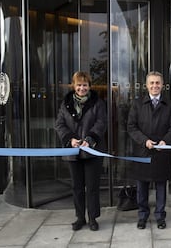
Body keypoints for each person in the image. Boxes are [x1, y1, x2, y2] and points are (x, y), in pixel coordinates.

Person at [55, 71, 107, 231]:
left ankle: (92, 218)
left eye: (85, 85)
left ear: (89, 86)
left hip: (92, 151)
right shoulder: (66, 103)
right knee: (77, 187)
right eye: (79, 85)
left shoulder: (97, 102)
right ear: (74, 86)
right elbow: (60, 124)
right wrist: (70, 139)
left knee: (92, 187)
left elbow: (101, 123)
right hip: (73, 152)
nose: (82, 88)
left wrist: (90, 139)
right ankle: (80, 218)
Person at [127, 71, 171, 230]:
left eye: (158, 83)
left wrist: (165, 141)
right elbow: (131, 127)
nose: (155, 86)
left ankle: (160, 216)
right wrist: (145, 141)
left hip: (161, 152)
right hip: (142, 152)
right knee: (141, 186)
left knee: (161, 186)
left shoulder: (169, 105)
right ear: (147, 85)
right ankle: (142, 216)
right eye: (152, 83)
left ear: (162, 85)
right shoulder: (137, 104)